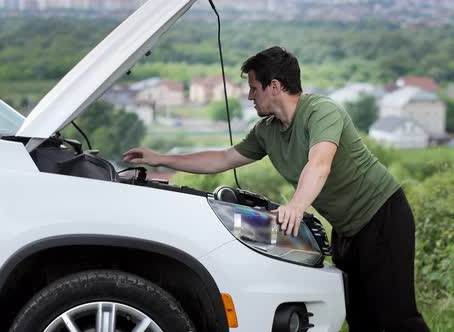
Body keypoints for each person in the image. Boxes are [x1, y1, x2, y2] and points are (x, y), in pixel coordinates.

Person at [123, 46, 429, 331]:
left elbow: (319, 163)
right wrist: (161, 158)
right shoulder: (267, 132)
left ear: (275, 86)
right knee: (361, 316)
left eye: (254, 88)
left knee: (396, 315)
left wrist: (296, 206)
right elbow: (222, 158)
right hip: (347, 229)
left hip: (383, 214)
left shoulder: (321, 111)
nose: (249, 96)